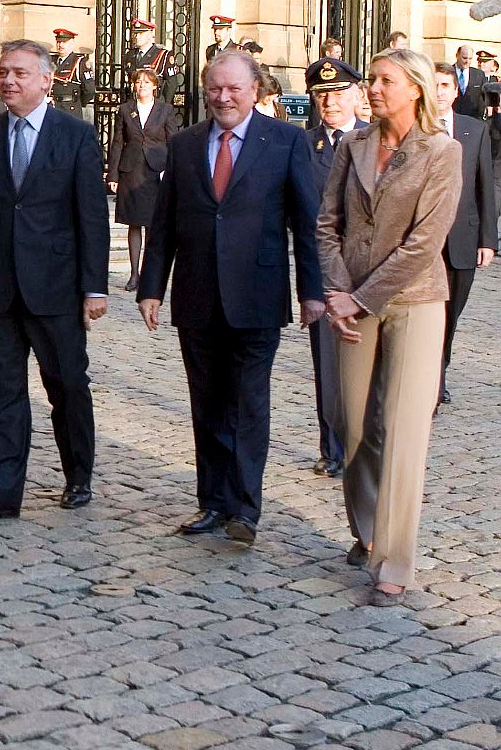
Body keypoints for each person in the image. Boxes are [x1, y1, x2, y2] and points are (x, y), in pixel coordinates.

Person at [137, 50, 323, 546]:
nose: (223, 98)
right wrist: (152, 286)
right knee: (207, 402)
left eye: (234, 89)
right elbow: (165, 223)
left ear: (255, 89)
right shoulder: (185, 144)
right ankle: (212, 502)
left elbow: (307, 224)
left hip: (257, 296)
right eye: (215, 89)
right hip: (196, 295)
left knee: (247, 402)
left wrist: (313, 291)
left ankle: (245, 508)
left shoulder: (285, 141)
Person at [319, 49, 461, 605]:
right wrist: (337, 292)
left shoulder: (441, 152)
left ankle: (393, 558)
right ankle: (369, 528)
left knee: (403, 430)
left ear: (416, 89)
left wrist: (358, 297)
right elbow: (327, 223)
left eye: (384, 81)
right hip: (351, 301)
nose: (372, 88)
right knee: (352, 424)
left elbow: (425, 243)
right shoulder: (353, 146)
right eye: (371, 80)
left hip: (415, 301)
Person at [0, 40, 107, 524]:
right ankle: (3, 490)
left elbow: (91, 218)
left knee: (67, 386)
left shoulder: (76, 135)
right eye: (4, 73)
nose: (9, 81)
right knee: (6, 390)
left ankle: (78, 474)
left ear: (45, 80)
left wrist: (94, 288)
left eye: (19, 73)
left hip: (56, 288)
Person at [302, 57, 369, 478]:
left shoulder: (375, 141)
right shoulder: (304, 145)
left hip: (369, 270)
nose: (330, 101)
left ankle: (365, 441)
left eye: (339, 93)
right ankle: (333, 447)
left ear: (357, 95)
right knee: (327, 364)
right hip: (324, 271)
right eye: (322, 94)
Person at [432, 62, 496, 406]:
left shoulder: (474, 130)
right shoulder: (417, 129)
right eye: (435, 85)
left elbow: (485, 186)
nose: (440, 92)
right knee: (430, 313)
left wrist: (488, 240)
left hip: (462, 240)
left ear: (455, 92)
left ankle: (440, 367)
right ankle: (431, 380)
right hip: (424, 243)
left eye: (445, 86)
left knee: (450, 314)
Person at [108, 68, 179, 292]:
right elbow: (117, 141)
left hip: (155, 171)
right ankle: (134, 274)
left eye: (146, 83)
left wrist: (173, 171)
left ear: (155, 86)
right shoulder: (125, 110)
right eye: (138, 82)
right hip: (131, 170)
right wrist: (113, 174)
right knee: (134, 223)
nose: (142, 86)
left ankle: (150, 273)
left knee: (153, 225)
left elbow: (173, 141)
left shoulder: (165, 110)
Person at [50, 29, 92, 119]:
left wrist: (77, 102)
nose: (60, 45)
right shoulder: (51, 61)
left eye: (64, 42)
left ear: (72, 43)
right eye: (58, 42)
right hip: (52, 108)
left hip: (70, 110)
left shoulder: (79, 62)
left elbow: (89, 90)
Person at [451, 46, 489, 120]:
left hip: (473, 119)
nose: (467, 61)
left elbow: (485, 96)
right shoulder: (448, 72)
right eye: (464, 58)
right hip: (452, 119)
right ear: (457, 56)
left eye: (470, 58)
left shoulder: (479, 74)